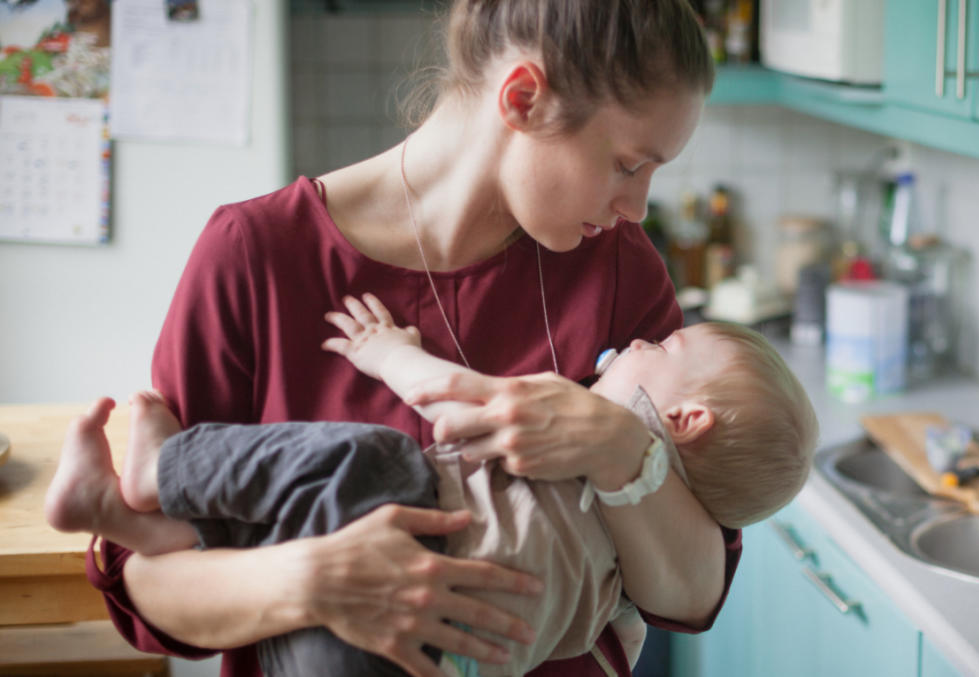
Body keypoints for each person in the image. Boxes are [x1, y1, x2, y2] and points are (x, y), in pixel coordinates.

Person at [81, 2, 739, 675]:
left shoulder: (621, 268)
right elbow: (147, 584)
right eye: (629, 165)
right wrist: (309, 579)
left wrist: (621, 446)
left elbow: (691, 592)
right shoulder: (255, 255)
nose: (638, 207)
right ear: (523, 100)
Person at [46, 293, 818, 677]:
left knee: (376, 463)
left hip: (403, 596)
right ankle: (137, 524)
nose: (644, 338)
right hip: (420, 662)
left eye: (665, 343)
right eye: (629, 162)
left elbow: (456, 402)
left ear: (683, 420)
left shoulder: (592, 418)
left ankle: (160, 474)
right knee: (295, 529)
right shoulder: (623, 586)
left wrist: (387, 353)